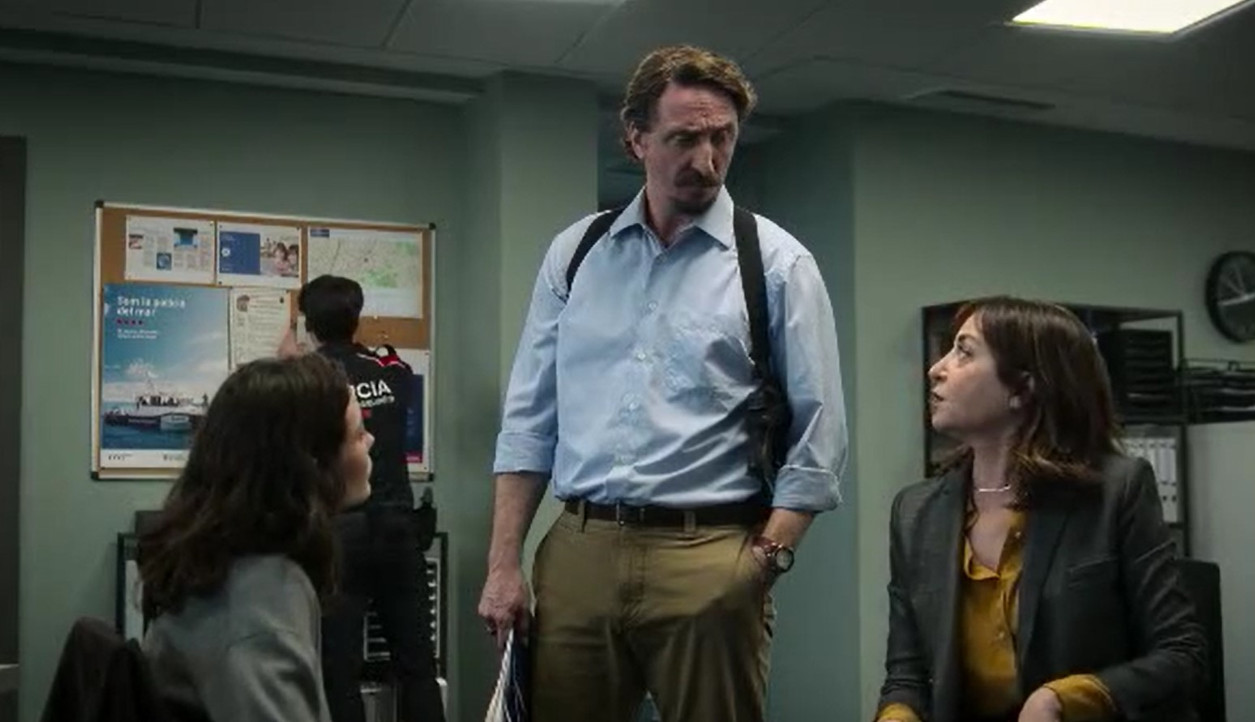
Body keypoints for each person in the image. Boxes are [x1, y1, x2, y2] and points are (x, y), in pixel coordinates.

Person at [478, 45, 848, 722]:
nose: (706, 160)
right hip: (581, 548)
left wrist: (766, 559)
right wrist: (504, 565)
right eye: (684, 138)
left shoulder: (776, 263)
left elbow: (820, 437)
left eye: (722, 138)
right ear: (636, 139)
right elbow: (529, 419)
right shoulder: (577, 253)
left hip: (710, 551)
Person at [876, 296, 1207, 722]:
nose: (936, 369)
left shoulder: (1114, 491)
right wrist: (897, 716)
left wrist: (1067, 699)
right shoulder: (915, 512)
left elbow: (1182, 654)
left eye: (964, 352)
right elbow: (907, 675)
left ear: (1023, 387)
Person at [140, 354, 373, 722]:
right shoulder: (261, 605)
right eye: (358, 434)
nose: (371, 441)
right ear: (312, 463)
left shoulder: (224, 566)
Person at [294, 274, 445, 722]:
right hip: (398, 528)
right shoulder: (391, 372)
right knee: (417, 665)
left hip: (340, 533)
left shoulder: (307, 381)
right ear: (356, 319)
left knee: (338, 671)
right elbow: (398, 374)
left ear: (309, 325)